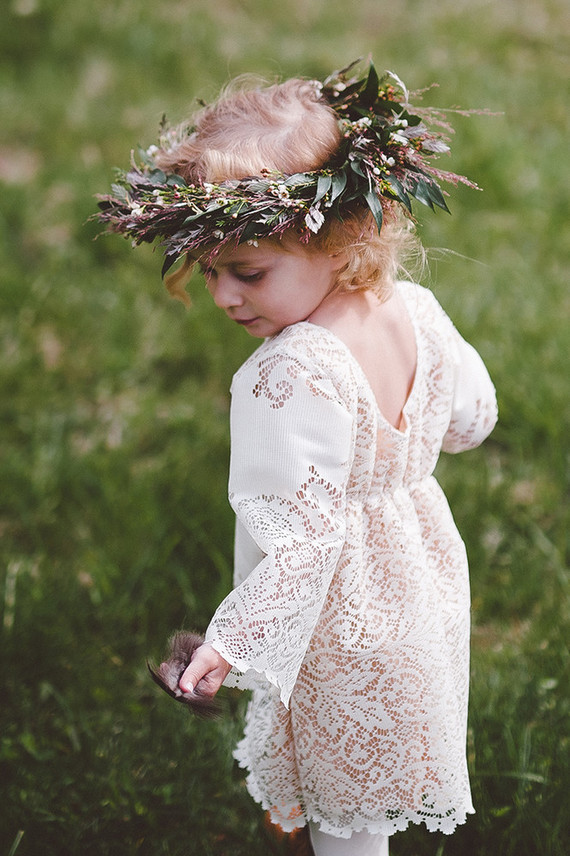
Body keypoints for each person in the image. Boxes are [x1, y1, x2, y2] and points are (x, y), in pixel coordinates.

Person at [98, 60, 498, 856]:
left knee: (346, 807)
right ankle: (299, 813)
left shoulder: (290, 372)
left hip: (338, 616)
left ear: (342, 233)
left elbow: (303, 544)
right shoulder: (415, 309)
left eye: (246, 272)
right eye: (208, 271)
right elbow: (473, 418)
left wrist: (231, 645)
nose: (221, 296)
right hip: (417, 579)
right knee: (374, 746)